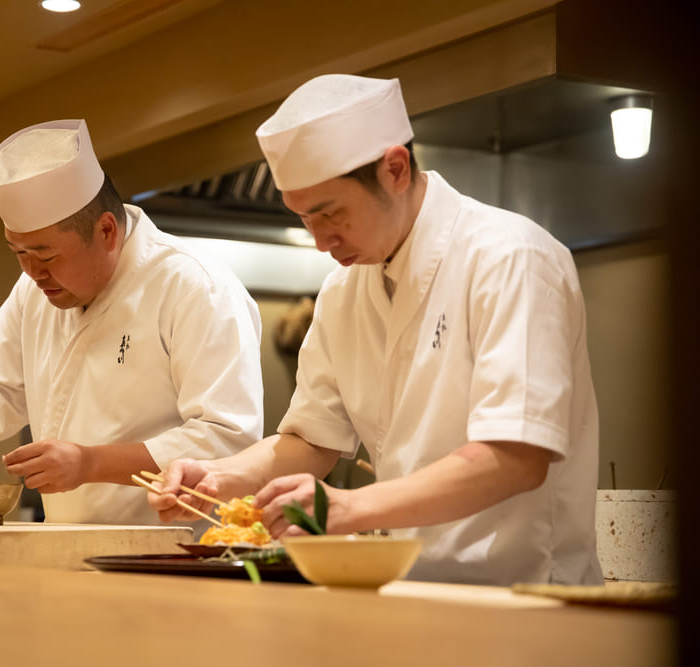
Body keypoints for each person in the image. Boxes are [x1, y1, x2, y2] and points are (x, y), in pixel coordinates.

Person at [149, 75, 603, 586]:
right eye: (303, 219)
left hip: (524, 596)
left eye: (330, 213)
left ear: (395, 169)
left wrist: (349, 507)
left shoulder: (509, 258)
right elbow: (310, 440)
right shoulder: (344, 290)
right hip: (404, 585)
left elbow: (516, 458)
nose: (320, 241)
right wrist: (220, 478)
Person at [0, 119, 264, 526]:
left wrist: (89, 462)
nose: (34, 273)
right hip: (68, 543)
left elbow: (227, 438)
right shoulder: (32, 290)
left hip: (175, 554)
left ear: (106, 230)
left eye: (47, 256)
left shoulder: (194, 286)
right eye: (18, 253)